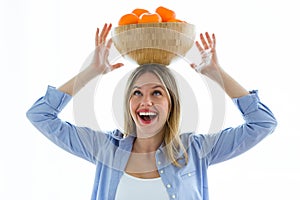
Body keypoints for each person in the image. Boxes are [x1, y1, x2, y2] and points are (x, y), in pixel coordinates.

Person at [26, 23, 277, 200]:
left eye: (157, 93)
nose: (145, 101)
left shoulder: (196, 150)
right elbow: (40, 114)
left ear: (171, 104)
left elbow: (263, 123)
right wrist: (91, 72)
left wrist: (217, 74)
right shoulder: (105, 149)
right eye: (137, 93)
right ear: (128, 103)